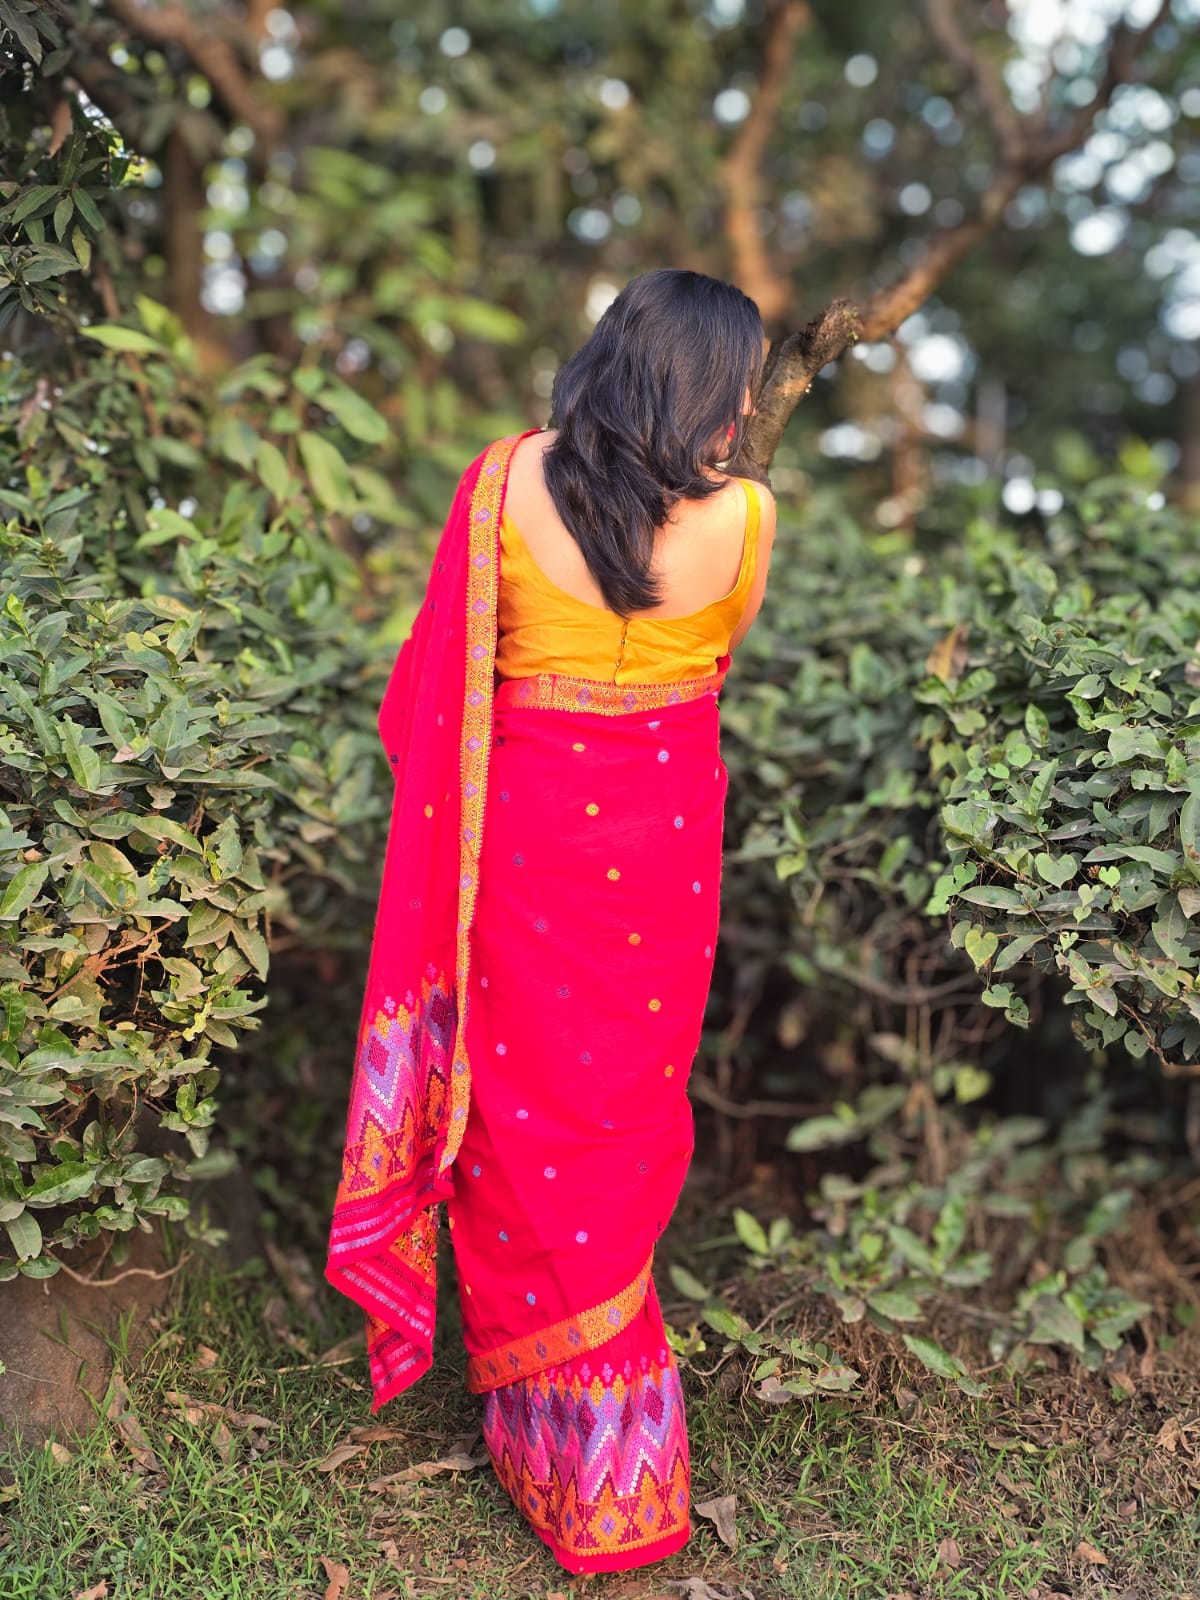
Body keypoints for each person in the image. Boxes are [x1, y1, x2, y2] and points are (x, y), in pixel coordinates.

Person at [325, 267, 777, 1575]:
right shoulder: (747, 518)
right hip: (662, 853)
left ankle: (552, 1438)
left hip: (523, 847)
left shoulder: (503, 482)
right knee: (619, 1112)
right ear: (711, 388)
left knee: (521, 1109)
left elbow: (426, 694)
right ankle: (615, 1464)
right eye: (741, 385)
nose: (748, 409)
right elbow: (715, 658)